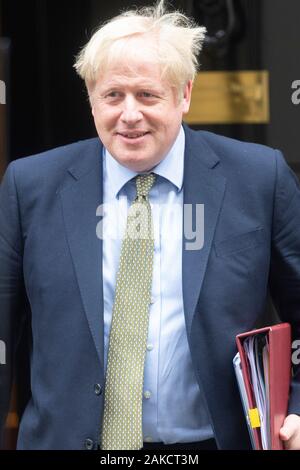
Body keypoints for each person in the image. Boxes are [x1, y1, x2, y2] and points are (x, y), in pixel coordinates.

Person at [0, 0, 300, 451]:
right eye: (113, 95)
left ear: (185, 95)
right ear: (91, 97)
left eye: (148, 95)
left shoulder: (259, 178)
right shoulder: (31, 186)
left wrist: (297, 407)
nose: (129, 114)